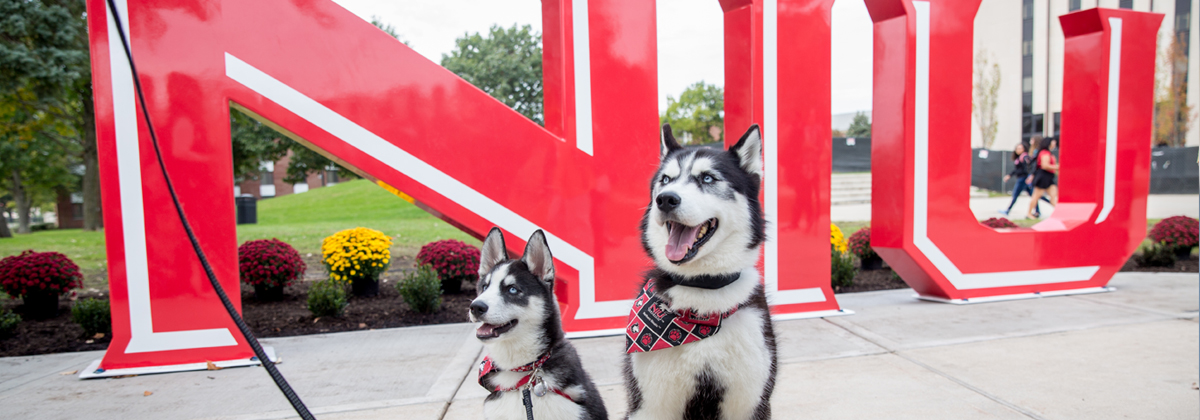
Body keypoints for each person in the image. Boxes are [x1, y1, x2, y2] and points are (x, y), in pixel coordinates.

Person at [999, 142, 1048, 216]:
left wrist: (1029, 176)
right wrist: (1009, 175)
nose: (1018, 150)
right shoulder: (1019, 157)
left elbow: (1028, 167)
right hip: (1022, 179)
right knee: (1034, 196)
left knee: (1016, 195)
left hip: (1023, 179)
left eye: (1020, 148)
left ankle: (1008, 210)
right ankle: (1038, 211)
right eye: (1017, 148)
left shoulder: (1024, 157)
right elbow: (1016, 169)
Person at [1026, 137, 1059, 219]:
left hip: (1049, 177)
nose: (1054, 144)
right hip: (1043, 176)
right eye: (1053, 142)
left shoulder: (1048, 152)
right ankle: (1029, 213)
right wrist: (1058, 167)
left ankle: (1060, 213)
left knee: (1053, 196)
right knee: (1036, 196)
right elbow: (1045, 166)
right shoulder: (1045, 153)